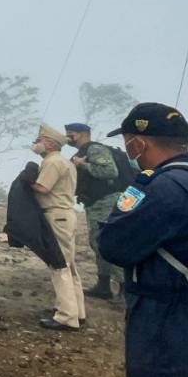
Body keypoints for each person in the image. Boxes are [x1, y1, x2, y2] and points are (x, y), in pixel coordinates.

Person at [98, 103, 188, 377]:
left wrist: (137, 184)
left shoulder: (162, 188)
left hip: (169, 317)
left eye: (127, 143)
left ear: (139, 144)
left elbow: (113, 244)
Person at [64, 123, 129, 303]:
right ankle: (103, 285)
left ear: (84, 134)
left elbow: (110, 171)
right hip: (95, 203)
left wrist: (83, 165)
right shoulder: (82, 152)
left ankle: (125, 289)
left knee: (108, 242)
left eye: (72, 134)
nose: (68, 137)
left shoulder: (94, 149)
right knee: (97, 243)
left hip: (107, 202)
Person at [29, 124, 86, 331]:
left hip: (55, 215)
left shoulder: (52, 162)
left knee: (59, 265)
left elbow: (43, 188)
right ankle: (77, 311)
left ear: (50, 143)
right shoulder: (65, 162)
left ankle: (66, 317)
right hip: (66, 216)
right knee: (69, 265)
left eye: (40, 140)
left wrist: (28, 182)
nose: (36, 143)